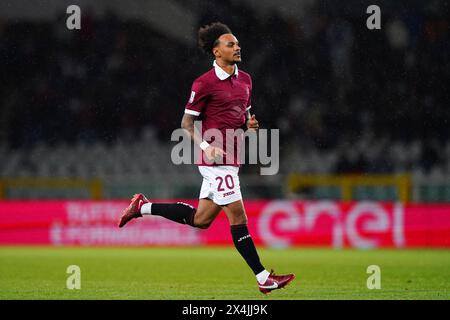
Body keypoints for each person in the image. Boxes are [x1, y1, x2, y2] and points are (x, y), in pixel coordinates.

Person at [118, 22, 295, 294]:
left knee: (201, 220)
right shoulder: (204, 83)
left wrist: (248, 126)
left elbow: (242, 116)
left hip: (232, 157)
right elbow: (186, 124)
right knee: (238, 217)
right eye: (230, 44)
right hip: (214, 160)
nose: (237, 47)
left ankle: (142, 207)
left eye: (237, 44)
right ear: (216, 52)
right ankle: (263, 278)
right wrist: (206, 146)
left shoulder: (246, 79)